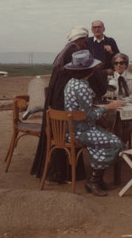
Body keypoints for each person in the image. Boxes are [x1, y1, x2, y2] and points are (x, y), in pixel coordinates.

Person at [31, 26, 95, 182]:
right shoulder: (74, 51)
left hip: (56, 96)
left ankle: (57, 172)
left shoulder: (66, 50)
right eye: (84, 41)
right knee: (67, 129)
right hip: (62, 97)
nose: (85, 45)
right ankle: (62, 173)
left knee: (57, 132)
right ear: (78, 40)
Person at [64, 49, 125, 197]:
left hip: (73, 129)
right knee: (116, 143)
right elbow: (89, 116)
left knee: (108, 138)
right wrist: (108, 108)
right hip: (80, 132)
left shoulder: (71, 83)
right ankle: (93, 180)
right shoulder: (83, 87)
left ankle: (96, 180)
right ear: (89, 70)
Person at [113, 53, 132, 147]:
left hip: (128, 108)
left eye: (121, 63)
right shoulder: (110, 78)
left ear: (126, 65)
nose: (119, 65)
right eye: (116, 63)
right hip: (114, 110)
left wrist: (123, 101)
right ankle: (120, 148)